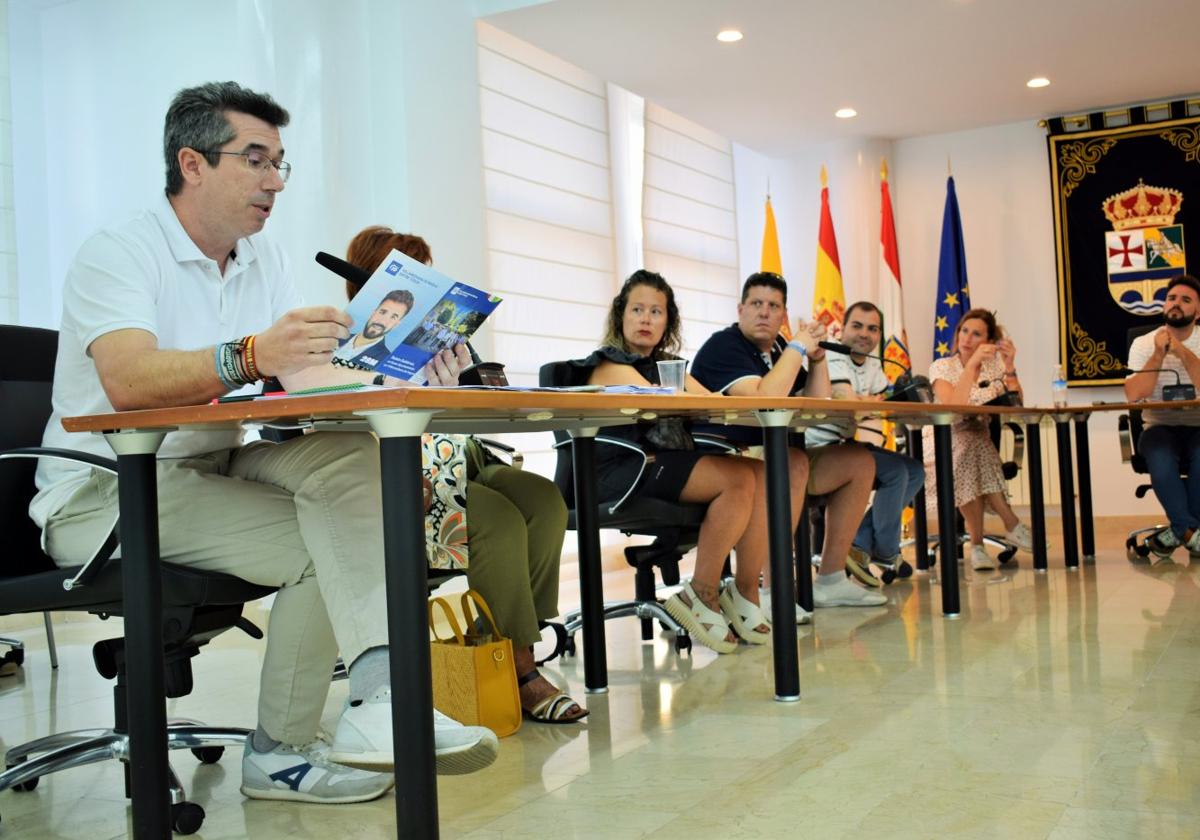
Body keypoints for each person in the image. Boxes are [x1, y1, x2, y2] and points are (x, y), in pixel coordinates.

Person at [29, 82, 494, 806]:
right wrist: (250, 354)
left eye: (281, 162)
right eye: (255, 160)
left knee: (357, 464)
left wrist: (409, 367)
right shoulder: (117, 252)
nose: (274, 181)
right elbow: (127, 381)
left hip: (210, 461)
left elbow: (303, 378)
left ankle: (381, 702)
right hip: (108, 486)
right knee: (325, 542)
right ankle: (281, 753)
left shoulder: (262, 257)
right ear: (192, 163)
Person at [344, 225, 586, 723]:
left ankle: (494, 639)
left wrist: (458, 382)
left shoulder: (444, 342)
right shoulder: (343, 344)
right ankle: (519, 669)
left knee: (543, 500)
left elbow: (471, 411)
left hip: (462, 453)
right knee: (495, 520)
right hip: (398, 467)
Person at [576, 270, 795, 653]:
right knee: (737, 479)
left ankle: (744, 591)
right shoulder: (609, 364)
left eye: (656, 312)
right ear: (620, 316)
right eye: (638, 309)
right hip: (621, 471)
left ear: (668, 322)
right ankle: (701, 591)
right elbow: (664, 400)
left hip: (660, 463)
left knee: (759, 472)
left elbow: (717, 403)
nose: (646, 319)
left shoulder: (667, 365)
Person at [691, 273, 886, 611]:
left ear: (784, 314)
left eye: (773, 306)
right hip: (726, 457)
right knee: (791, 461)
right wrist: (797, 346)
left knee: (858, 461)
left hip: (770, 451)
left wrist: (819, 357)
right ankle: (768, 588)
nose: (764, 313)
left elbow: (818, 403)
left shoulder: (780, 349)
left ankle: (831, 578)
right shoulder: (724, 345)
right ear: (740, 309)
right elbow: (764, 398)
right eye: (756, 304)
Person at [805, 301, 925, 582]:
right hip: (815, 448)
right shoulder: (831, 353)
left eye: (873, 329)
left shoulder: (873, 364)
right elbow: (849, 402)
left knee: (915, 471)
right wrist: (875, 402)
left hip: (844, 446)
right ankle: (884, 551)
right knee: (895, 472)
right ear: (842, 328)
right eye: (857, 326)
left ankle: (860, 541)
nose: (864, 334)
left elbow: (885, 405)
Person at [923, 308, 1035, 571]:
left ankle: (977, 547)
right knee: (970, 446)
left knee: (972, 445)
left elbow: (1017, 405)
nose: (968, 339)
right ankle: (1011, 524)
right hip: (941, 440)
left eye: (976, 334)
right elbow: (954, 407)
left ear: (988, 341)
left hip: (975, 442)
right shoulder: (941, 366)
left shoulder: (994, 368)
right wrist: (971, 365)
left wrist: (1009, 367)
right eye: (964, 331)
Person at [1124, 274, 1200, 557]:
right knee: (1161, 459)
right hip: (1159, 427)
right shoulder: (1144, 344)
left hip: (1198, 427)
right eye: (1171, 298)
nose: (1176, 304)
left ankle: (1178, 532)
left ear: (1198, 312)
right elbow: (1133, 394)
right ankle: (1190, 532)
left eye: (1185, 299)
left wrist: (1181, 352)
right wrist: (1158, 355)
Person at [330, 288, 414, 370]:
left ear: (396, 324)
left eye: (393, 317)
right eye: (382, 312)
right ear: (373, 312)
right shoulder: (337, 336)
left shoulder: (385, 360)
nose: (382, 321)